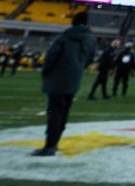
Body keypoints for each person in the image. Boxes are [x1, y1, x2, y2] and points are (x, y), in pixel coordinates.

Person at [33, 11, 96, 156]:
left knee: (53, 112)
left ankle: (49, 145)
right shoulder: (91, 39)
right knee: (64, 112)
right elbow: (91, 58)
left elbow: (51, 57)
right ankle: (54, 143)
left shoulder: (65, 36)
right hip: (74, 79)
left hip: (57, 79)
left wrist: (46, 72)